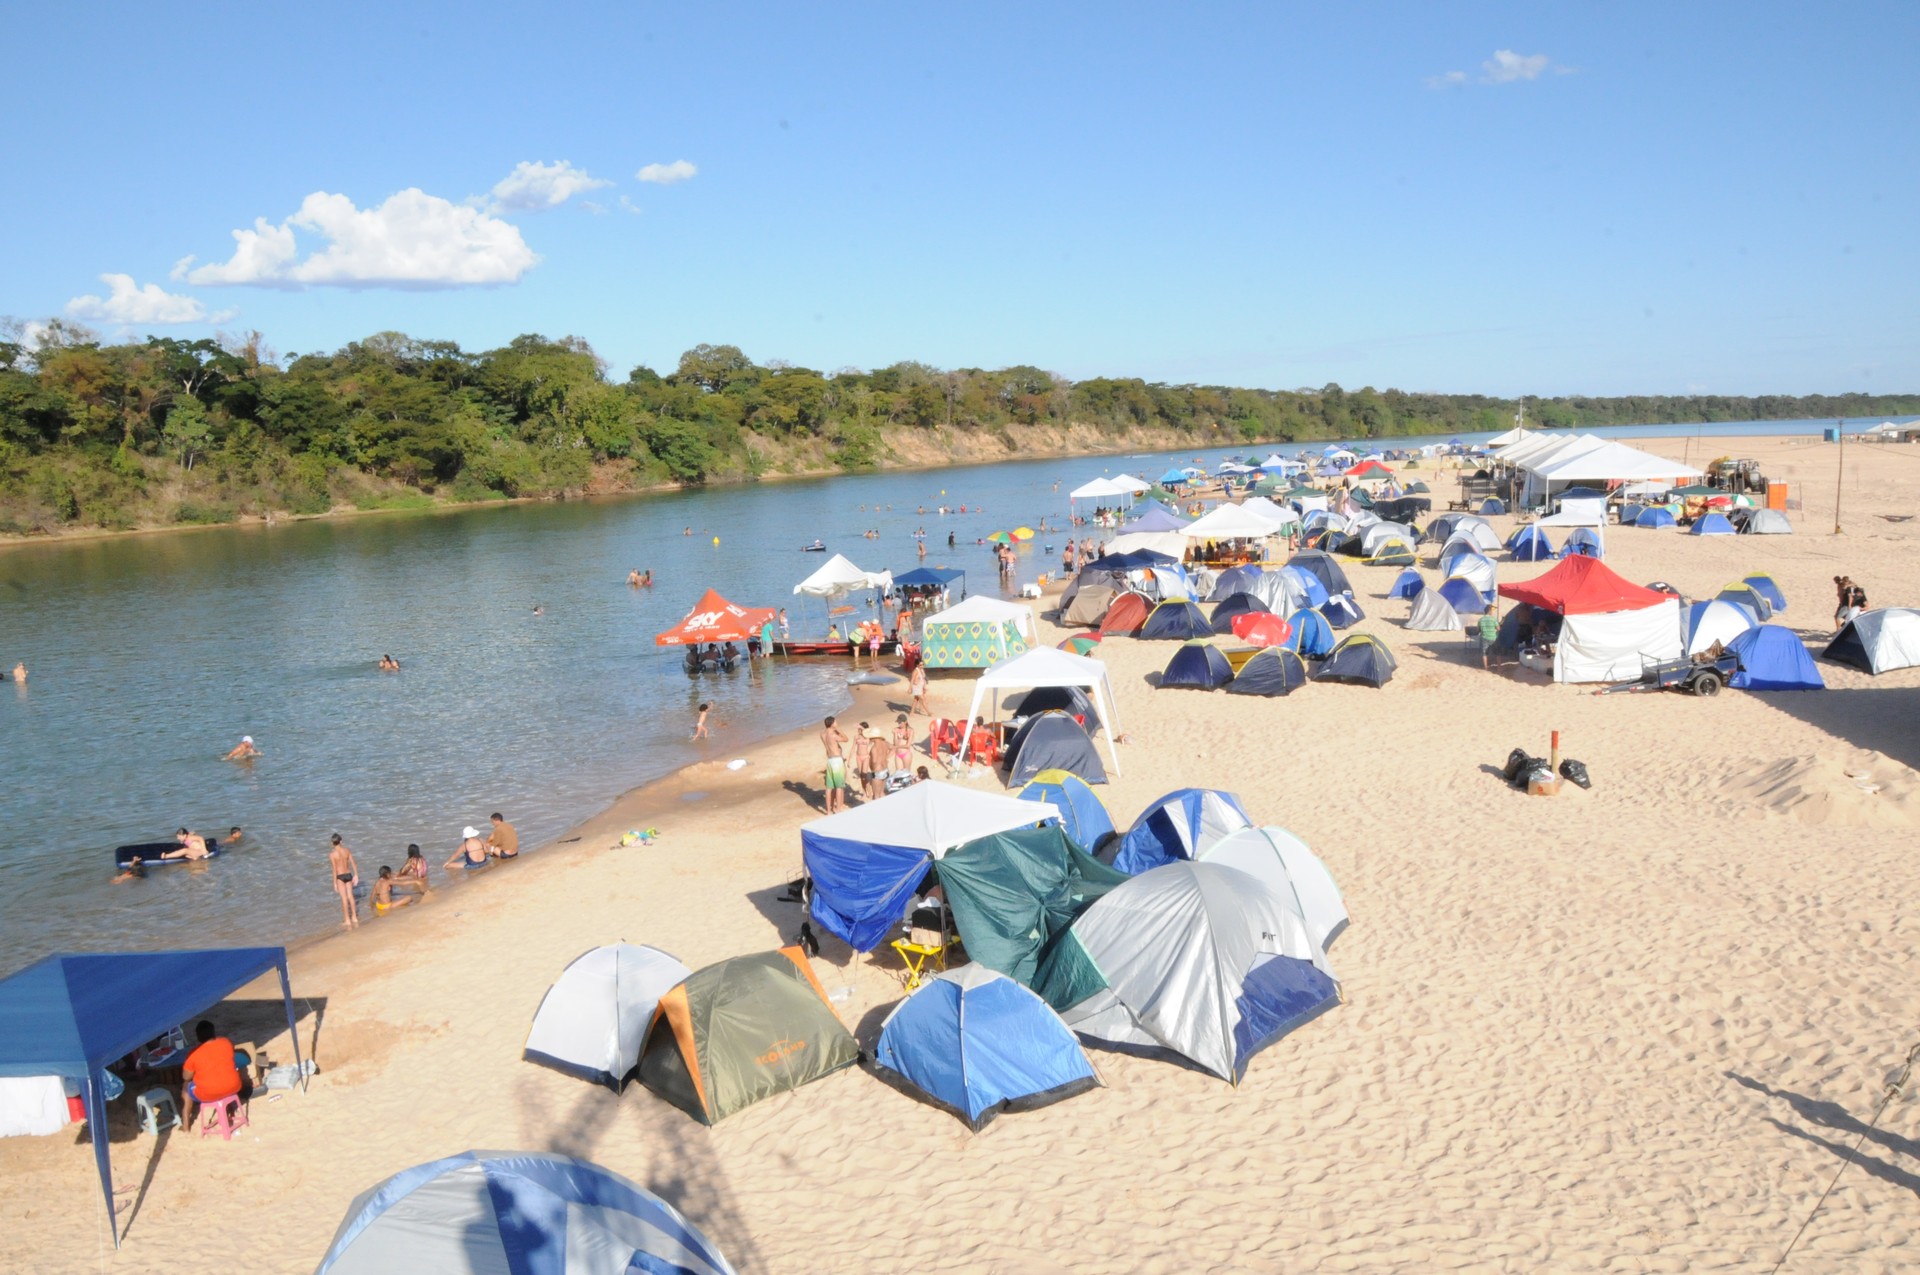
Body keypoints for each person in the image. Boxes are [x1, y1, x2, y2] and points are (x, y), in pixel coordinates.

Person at [180, 1020, 243, 1131]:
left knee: (186, 1086)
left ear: (198, 1037)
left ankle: (185, 1125)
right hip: (234, 1086)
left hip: (209, 1093)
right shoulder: (226, 1042)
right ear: (213, 1032)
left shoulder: (193, 1054)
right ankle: (229, 1107)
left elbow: (186, 1076)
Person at [328, 833, 359, 929]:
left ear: (332, 843)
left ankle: (347, 920)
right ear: (341, 841)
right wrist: (356, 875)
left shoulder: (332, 854)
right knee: (350, 896)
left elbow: (334, 869)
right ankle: (354, 917)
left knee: (344, 898)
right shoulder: (347, 850)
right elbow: (353, 863)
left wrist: (334, 883)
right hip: (348, 875)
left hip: (340, 876)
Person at [820, 716, 849, 813]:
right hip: (837, 760)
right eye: (835, 722)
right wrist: (839, 730)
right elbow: (846, 739)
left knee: (829, 787)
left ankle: (828, 810)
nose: (837, 722)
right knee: (839, 786)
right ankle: (838, 808)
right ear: (832, 723)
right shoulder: (833, 734)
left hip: (830, 760)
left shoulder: (822, 734)